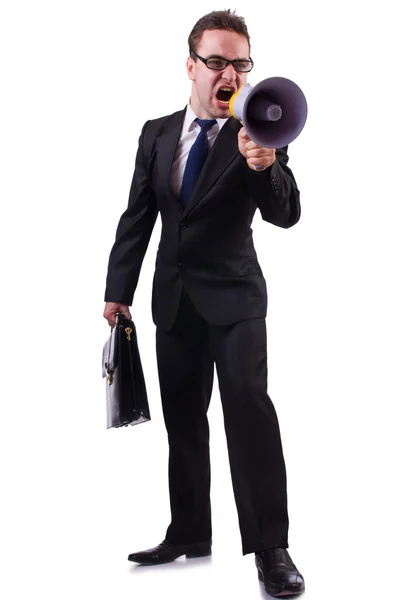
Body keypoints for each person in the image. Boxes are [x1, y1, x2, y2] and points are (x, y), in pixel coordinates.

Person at [103, 9, 305, 598]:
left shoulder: (259, 128)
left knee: (248, 411)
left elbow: (285, 213)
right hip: (174, 301)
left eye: (241, 63)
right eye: (217, 61)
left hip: (237, 300)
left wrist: (264, 164)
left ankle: (271, 549)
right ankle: (189, 530)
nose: (231, 73)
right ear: (191, 66)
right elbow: (137, 216)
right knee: (184, 421)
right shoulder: (157, 132)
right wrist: (118, 290)